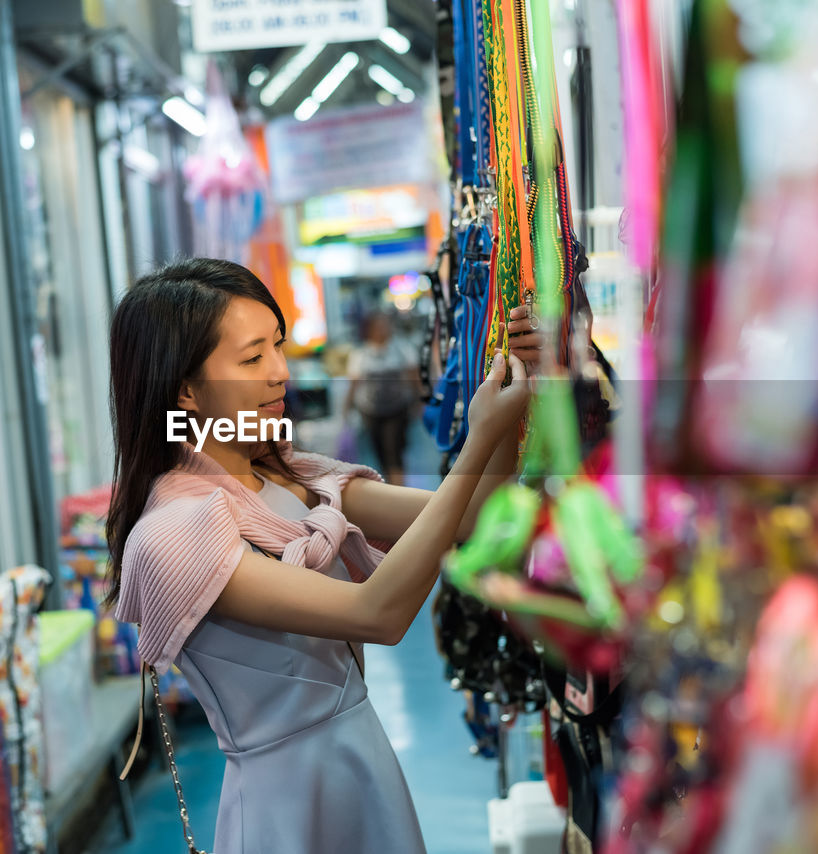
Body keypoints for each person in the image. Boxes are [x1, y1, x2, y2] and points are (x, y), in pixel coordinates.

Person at [104, 259, 543, 854]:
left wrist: (523, 392)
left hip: (361, 762)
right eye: (252, 358)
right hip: (287, 803)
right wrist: (481, 438)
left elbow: (470, 516)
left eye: (277, 349)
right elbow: (377, 614)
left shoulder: (296, 477)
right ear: (184, 387)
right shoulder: (173, 532)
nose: (280, 374)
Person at [343, 310, 424, 484]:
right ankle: (389, 484)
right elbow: (353, 385)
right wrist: (346, 409)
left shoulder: (402, 348)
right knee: (379, 452)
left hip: (397, 410)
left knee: (394, 450)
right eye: (378, 326)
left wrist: (421, 400)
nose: (382, 329)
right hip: (370, 411)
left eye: (385, 325)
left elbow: (414, 376)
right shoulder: (360, 354)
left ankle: (398, 490)